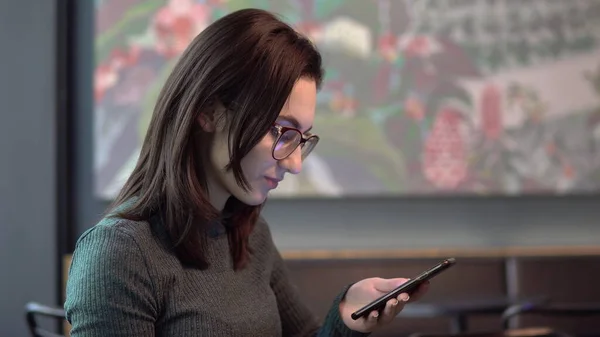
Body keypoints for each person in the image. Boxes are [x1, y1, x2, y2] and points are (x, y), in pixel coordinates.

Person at [64, 8, 429, 337]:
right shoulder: (118, 254)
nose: (294, 162)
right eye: (279, 131)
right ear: (208, 112)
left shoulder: (250, 236)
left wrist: (347, 316)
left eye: (301, 139)